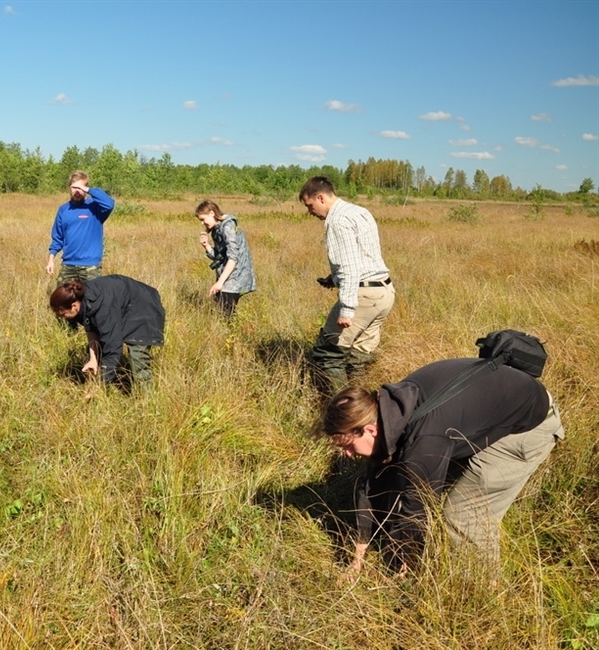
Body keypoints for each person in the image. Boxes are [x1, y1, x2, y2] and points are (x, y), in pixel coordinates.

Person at [318, 358, 564, 578]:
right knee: (412, 476)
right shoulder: (392, 408)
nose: (348, 455)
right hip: (496, 407)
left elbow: (418, 502)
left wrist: (403, 556)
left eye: (349, 446)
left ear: (370, 430)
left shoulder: (425, 438)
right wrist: (358, 556)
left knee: (463, 514)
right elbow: (375, 480)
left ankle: (481, 594)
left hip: (529, 427)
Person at [299, 177, 395, 394]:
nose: (310, 212)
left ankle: (343, 416)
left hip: (363, 296)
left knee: (328, 354)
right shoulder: (359, 212)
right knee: (357, 358)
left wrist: (347, 308)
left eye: (310, 205)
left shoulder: (337, 220)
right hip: (384, 292)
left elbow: (350, 266)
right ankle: (365, 409)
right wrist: (334, 279)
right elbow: (363, 257)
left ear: (321, 197)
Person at [49, 275, 165, 389]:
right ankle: (102, 375)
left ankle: (146, 397)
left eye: (62, 314)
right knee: (99, 349)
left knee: (137, 357)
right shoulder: (82, 300)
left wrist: (97, 387)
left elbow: (113, 350)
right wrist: (93, 359)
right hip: (122, 305)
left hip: (144, 307)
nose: (62, 317)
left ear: (74, 306)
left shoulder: (102, 308)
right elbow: (91, 328)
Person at [46, 170, 115, 284]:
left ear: (86, 189)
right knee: (62, 299)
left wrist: (89, 190)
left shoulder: (95, 208)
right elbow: (57, 238)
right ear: (69, 188)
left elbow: (110, 203)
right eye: (74, 187)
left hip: (90, 266)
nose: (77, 191)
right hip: (68, 266)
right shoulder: (63, 210)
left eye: (80, 187)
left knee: (93, 300)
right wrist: (51, 260)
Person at [195, 200, 257, 318]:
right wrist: (206, 246)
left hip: (236, 277)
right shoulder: (216, 230)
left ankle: (236, 335)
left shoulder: (228, 226)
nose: (202, 223)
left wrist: (220, 283)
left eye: (203, 219)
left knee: (225, 314)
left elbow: (233, 258)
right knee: (223, 312)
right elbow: (220, 257)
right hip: (227, 277)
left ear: (212, 213)